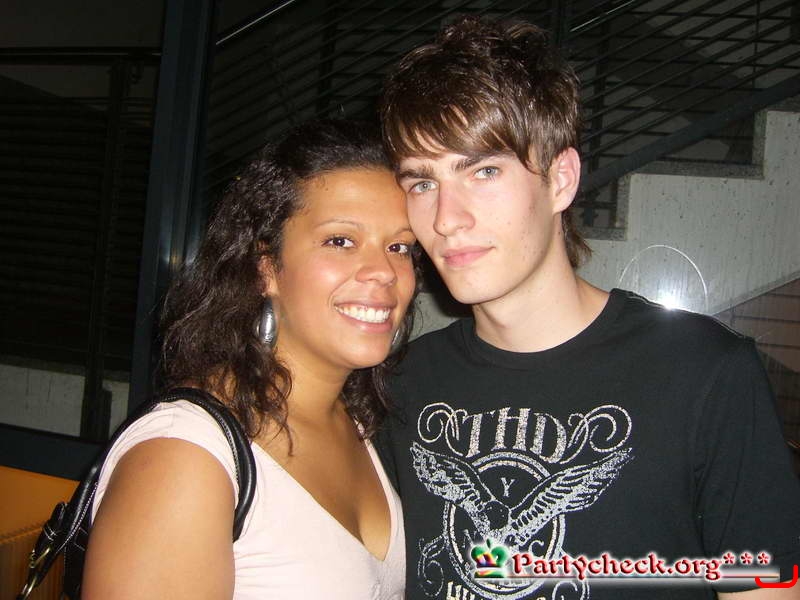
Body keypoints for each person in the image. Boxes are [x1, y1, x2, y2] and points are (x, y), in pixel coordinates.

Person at [376, 15, 800, 600]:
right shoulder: (399, 385)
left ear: (561, 179)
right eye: (423, 183)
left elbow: (763, 585)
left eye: (484, 170)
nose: (447, 219)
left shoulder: (703, 371)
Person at [81, 119, 418, 599]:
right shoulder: (184, 457)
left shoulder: (359, 422)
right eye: (340, 241)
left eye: (399, 246)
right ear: (266, 269)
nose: (384, 271)